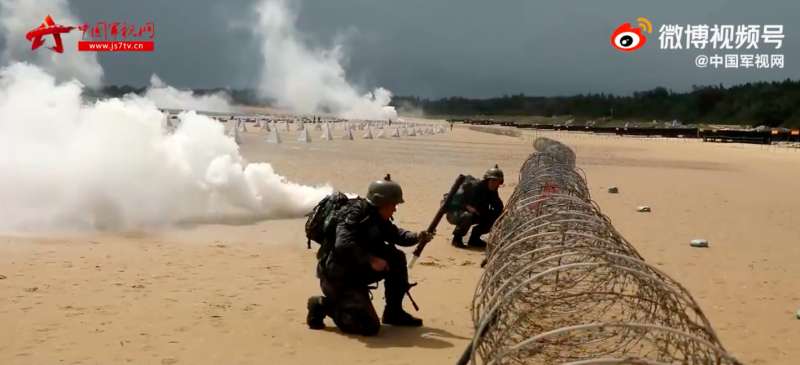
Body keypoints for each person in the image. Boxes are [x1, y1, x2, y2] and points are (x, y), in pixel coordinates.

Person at [306, 175, 435, 336]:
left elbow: (396, 235)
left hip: (358, 272)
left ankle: (393, 312)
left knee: (395, 257)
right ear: (381, 203)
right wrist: (370, 259)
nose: (395, 209)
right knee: (368, 326)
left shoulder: (377, 216)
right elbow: (342, 244)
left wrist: (417, 236)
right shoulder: (353, 215)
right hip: (340, 279)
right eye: (393, 205)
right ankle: (322, 305)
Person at [446, 165, 504, 248]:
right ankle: (457, 239)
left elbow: (498, 207)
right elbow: (454, 200)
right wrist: (467, 207)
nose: (494, 184)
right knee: (467, 215)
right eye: (493, 181)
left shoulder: (492, 191)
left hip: (475, 214)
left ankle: (474, 238)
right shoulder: (473, 186)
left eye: (497, 182)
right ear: (487, 180)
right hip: (455, 213)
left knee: (497, 217)